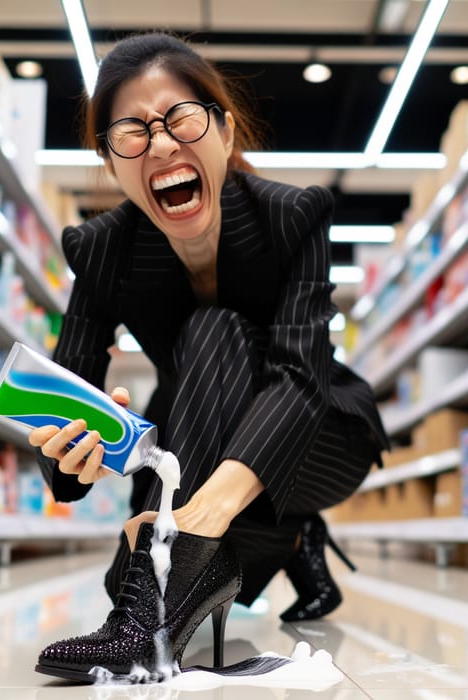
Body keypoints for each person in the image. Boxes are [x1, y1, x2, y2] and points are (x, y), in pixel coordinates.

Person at [30, 31, 389, 682]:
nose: (161, 143)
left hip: (322, 430)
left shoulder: (293, 216)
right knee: (130, 582)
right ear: (113, 166)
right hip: (200, 431)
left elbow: (299, 380)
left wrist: (196, 521)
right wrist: (70, 447)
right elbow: (63, 412)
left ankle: (259, 533)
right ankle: (290, 538)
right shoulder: (101, 249)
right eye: (131, 133)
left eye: (181, 119)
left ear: (224, 133)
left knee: (214, 329)